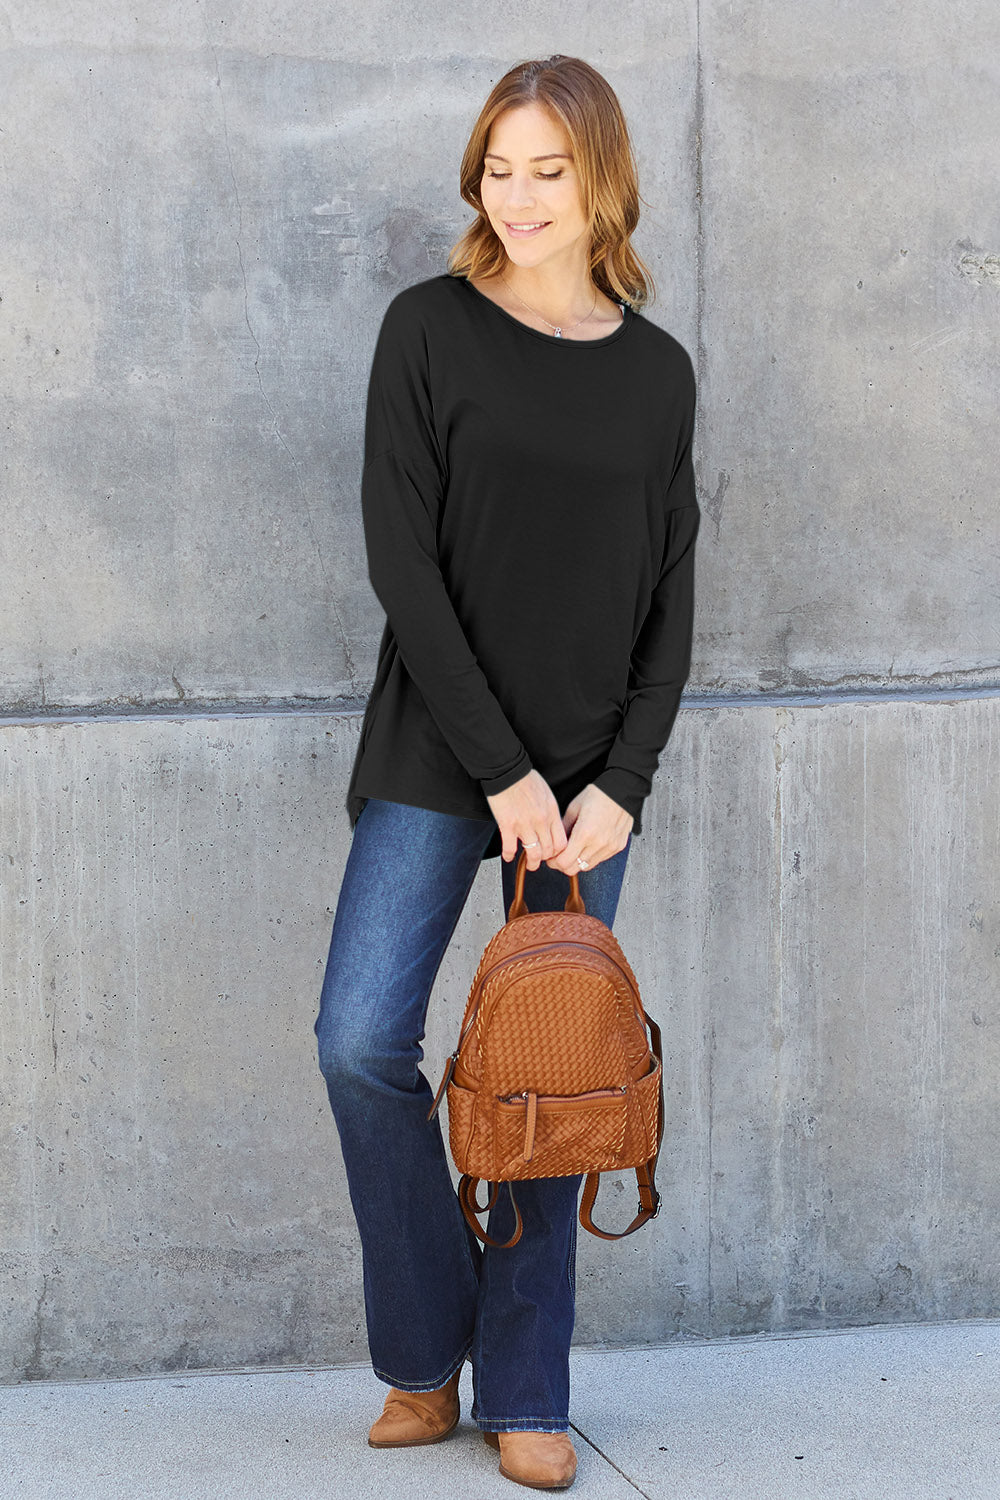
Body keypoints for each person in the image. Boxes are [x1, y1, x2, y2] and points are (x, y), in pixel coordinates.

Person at [314, 54, 700, 1491]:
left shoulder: (659, 371)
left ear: (601, 177)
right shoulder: (426, 331)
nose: (519, 196)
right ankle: (428, 1353)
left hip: (591, 782)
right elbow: (402, 565)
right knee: (360, 1042)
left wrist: (624, 782)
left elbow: (672, 599)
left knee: (551, 1080)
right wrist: (500, 771)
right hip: (443, 750)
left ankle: (525, 1388)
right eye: (499, 166)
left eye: (548, 169)